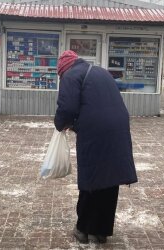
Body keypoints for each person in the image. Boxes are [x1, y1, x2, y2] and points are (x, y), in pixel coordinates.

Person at [54, 50, 137, 244]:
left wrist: (60, 124)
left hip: (96, 130)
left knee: (92, 177)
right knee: (110, 177)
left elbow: (67, 108)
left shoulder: (70, 75)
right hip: (118, 128)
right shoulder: (100, 71)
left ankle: (83, 229)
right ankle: (101, 231)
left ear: (63, 69)